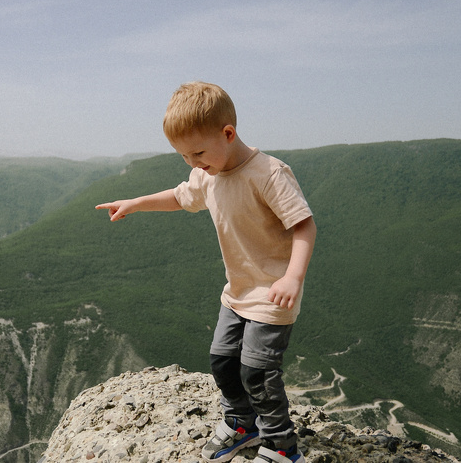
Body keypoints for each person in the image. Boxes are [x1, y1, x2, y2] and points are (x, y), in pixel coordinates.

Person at [96, 82, 316, 463]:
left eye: (197, 152)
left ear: (227, 133)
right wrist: (135, 203)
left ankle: (281, 446)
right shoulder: (208, 174)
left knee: (258, 373)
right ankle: (242, 423)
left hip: (272, 294)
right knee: (223, 360)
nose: (193, 162)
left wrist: (293, 277)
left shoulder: (269, 174)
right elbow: (180, 197)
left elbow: (304, 226)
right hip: (237, 292)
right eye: (183, 156)